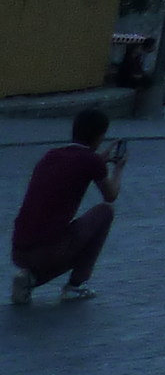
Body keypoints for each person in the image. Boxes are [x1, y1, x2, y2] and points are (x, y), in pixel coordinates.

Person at [10, 107, 123, 304]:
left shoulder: (51, 155)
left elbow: (80, 164)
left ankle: (29, 280)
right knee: (104, 214)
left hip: (19, 249)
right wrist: (118, 169)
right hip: (49, 251)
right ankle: (74, 285)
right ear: (100, 136)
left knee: (62, 242)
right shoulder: (91, 161)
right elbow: (110, 195)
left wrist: (98, 160)